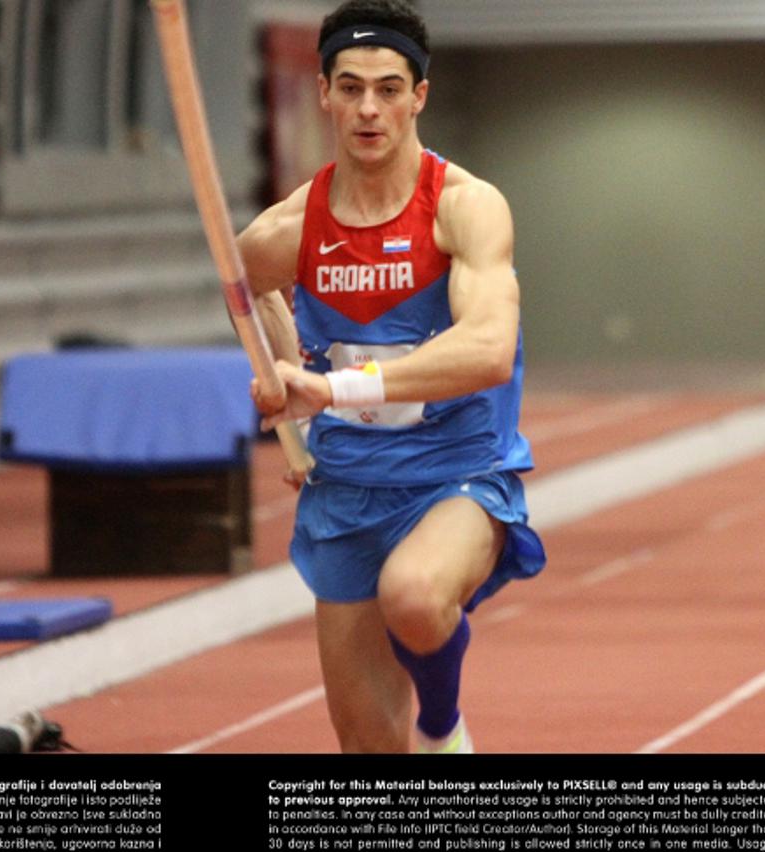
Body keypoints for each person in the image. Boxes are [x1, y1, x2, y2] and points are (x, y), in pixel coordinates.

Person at [239, 0, 545, 753]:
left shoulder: (465, 209)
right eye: (350, 88)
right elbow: (245, 291)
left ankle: (444, 727)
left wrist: (333, 389)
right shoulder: (289, 229)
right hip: (347, 488)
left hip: (460, 475)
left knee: (412, 595)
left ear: (420, 96)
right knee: (369, 751)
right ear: (323, 94)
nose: (368, 108)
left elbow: (486, 350)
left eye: (386, 87)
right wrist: (294, 411)